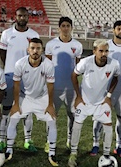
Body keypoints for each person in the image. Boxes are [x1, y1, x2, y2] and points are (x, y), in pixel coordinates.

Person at [5, 38, 58, 166]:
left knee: (52, 121)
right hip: (25, 97)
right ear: (28, 50)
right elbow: (16, 85)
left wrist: (50, 105)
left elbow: (51, 86)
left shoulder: (48, 64)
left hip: (42, 97)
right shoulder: (20, 64)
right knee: (12, 119)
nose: (35, 51)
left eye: (38, 48)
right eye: (32, 48)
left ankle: (52, 152)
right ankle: (9, 149)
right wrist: (16, 104)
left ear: (42, 50)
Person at [68, 39, 120, 167]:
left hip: (101, 102)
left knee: (108, 127)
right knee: (77, 125)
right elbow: (74, 75)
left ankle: (106, 155)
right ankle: (73, 154)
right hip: (84, 101)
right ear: (94, 51)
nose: (104, 54)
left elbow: (116, 78)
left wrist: (108, 96)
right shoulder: (86, 62)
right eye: (101, 51)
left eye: (106, 51)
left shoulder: (114, 64)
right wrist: (78, 96)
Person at [91, 20, 121, 157]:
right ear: (113, 30)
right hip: (105, 85)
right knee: (99, 117)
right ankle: (95, 144)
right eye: (118, 28)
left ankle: (119, 146)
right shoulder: (105, 45)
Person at [0, 7, 39, 151]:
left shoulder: (34, 34)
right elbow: (2, 53)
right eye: (20, 15)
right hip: (10, 75)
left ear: (28, 17)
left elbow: (36, 54)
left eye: (25, 16)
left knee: (27, 110)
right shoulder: (7, 33)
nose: (22, 18)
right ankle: (2, 139)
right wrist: (9, 68)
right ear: (15, 16)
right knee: (6, 109)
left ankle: (28, 140)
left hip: (28, 77)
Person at [45, 17, 82, 151]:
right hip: (55, 87)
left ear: (71, 27)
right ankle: (49, 142)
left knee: (72, 115)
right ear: (59, 28)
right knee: (51, 115)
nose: (65, 28)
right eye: (63, 26)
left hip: (71, 87)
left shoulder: (77, 45)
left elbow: (78, 67)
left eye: (68, 26)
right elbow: (47, 66)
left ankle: (70, 140)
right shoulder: (51, 44)